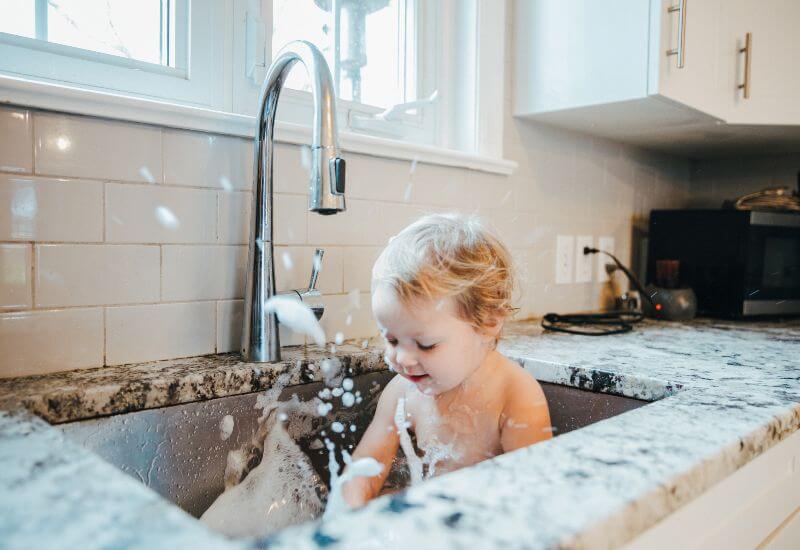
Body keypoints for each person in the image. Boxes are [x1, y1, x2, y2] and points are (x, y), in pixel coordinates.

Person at [342, 213, 552, 508]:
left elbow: (530, 495)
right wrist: (349, 517)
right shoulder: (402, 392)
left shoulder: (515, 395)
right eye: (391, 340)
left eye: (426, 345)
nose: (401, 358)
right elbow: (366, 464)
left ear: (487, 323)